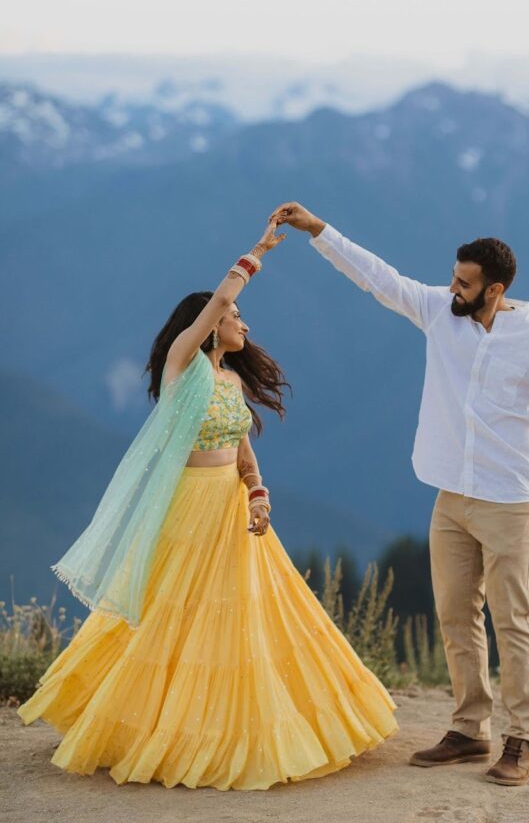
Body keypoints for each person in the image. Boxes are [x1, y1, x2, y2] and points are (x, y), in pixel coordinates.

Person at [16, 213, 398, 790]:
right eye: (236, 317)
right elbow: (221, 296)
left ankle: (239, 727)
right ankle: (162, 730)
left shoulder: (232, 383)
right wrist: (255, 254)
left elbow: (245, 458)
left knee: (248, 621)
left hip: (232, 511)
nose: (243, 323)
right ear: (214, 324)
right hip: (188, 509)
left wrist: (259, 496)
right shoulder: (182, 366)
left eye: (239, 315)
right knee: (174, 618)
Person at [269, 201, 529, 787]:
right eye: (453, 275)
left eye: (464, 283)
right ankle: (471, 729)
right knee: (454, 615)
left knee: (512, 619)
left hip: (509, 500)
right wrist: (319, 230)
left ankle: (523, 739)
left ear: (494, 290)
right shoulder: (441, 312)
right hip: (451, 495)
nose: (451, 287)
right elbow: (379, 278)